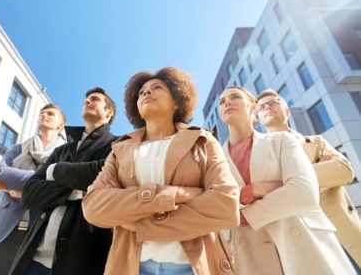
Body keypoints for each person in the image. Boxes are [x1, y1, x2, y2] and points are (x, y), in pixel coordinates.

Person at [83, 67, 240, 275]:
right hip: (133, 266)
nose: (146, 92)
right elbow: (93, 207)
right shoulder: (120, 149)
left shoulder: (202, 140)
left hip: (192, 266)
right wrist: (176, 194)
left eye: (156, 88)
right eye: (141, 92)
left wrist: (133, 218)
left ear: (176, 101)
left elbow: (226, 206)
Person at [218, 86, 355, 275]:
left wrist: (297, 180)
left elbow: (341, 172)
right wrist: (286, 182)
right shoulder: (216, 159)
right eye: (222, 101)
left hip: (310, 231)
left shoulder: (302, 142)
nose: (227, 103)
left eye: (274, 103)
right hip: (250, 248)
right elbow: (216, 203)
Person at [9, 87, 118, 275]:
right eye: (86, 99)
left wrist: (54, 170)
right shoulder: (62, 150)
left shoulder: (119, 144)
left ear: (109, 112)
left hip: (81, 262)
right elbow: (29, 194)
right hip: (32, 259)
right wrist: (77, 191)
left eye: (94, 99)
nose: (87, 101)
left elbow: (104, 174)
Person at [256, 88, 361, 271]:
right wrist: (319, 178)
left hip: (342, 232)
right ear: (258, 118)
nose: (267, 107)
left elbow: (344, 171)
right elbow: (263, 200)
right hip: (302, 241)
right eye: (262, 106)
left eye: (273, 102)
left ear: (287, 111)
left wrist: (288, 183)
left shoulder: (316, 142)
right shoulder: (257, 156)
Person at [0, 103, 67, 275]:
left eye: (50, 114)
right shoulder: (18, 148)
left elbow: (62, 189)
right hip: (4, 227)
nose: (44, 115)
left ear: (60, 125)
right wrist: (42, 182)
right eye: (42, 112)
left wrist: (24, 190)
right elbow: (0, 174)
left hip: (39, 232)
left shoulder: (65, 156)